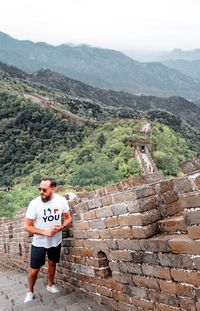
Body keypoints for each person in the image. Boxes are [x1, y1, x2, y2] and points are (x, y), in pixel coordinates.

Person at [24, 176, 71, 303]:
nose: (41, 192)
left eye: (44, 190)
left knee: (52, 263)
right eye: (39, 189)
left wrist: (62, 226)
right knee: (34, 270)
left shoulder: (61, 201)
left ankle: (50, 284)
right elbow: (27, 226)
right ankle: (30, 291)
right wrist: (44, 232)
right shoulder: (34, 204)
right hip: (39, 242)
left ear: (53, 189)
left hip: (56, 240)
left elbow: (68, 218)